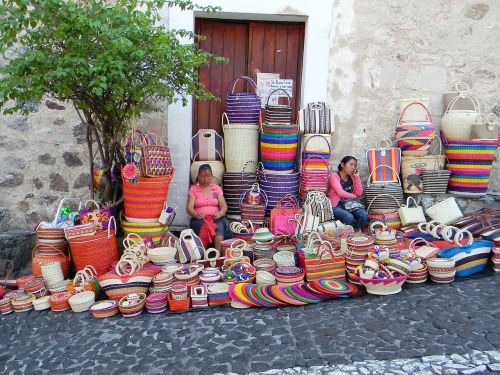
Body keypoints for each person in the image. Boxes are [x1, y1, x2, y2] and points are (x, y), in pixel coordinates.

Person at [186, 164, 228, 250]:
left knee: (219, 225)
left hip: (216, 218)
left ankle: (217, 255)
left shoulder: (216, 189)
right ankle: (202, 255)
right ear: (198, 176)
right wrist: (195, 213)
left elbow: (224, 206)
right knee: (205, 226)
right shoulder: (194, 189)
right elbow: (189, 207)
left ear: (212, 176)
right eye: (203, 176)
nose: (205, 179)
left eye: (208, 176)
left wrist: (220, 213)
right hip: (199, 220)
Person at [327, 156, 368, 231]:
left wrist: (357, 177)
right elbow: (340, 192)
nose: (353, 167)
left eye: (355, 165)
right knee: (349, 217)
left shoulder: (352, 178)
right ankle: (347, 236)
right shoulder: (334, 176)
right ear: (343, 165)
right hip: (336, 205)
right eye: (351, 164)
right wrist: (353, 196)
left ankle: (357, 234)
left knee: (363, 214)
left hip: (349, 204)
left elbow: (359, 193)